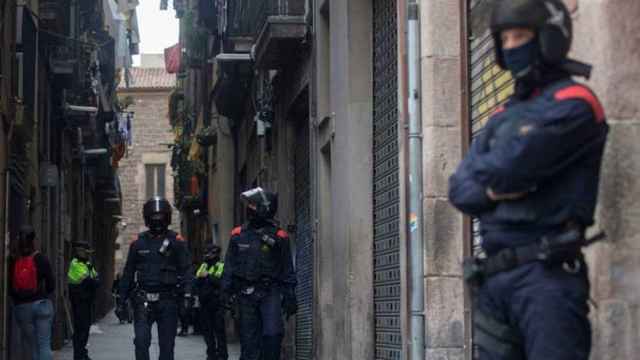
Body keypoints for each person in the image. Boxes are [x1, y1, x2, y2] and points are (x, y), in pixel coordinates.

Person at [449, 0, 609, 359]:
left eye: (519, 36)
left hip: (546, 278)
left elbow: (510, 167)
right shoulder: (504, 113)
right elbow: (460, 189)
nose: (511, 47)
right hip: (493, 281)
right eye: (504, 40)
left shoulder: (576, 103)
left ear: (549, 38)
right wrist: (496, 186)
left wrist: (490, 181)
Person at [222, 187, 297, 360]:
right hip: (245, 295)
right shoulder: (238, 234)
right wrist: (225, 293)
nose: (249, 208)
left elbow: (287, 268)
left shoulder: (279, 236)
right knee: (249, 345)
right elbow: (229, 266)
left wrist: (290, 294)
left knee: (272, 337)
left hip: (269, 292)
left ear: (265, 207)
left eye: (253, 206)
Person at [117, 197, 193, 360]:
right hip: (143, 300)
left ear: (167, 218)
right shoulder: (138, 243)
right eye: (153, 216)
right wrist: (121, 300)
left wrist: (187, 295)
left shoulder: (176, 242)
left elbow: (186, 269)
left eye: (161, 216)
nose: (157, 220)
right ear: (147, 218)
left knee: (167, 346)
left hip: (168, 300)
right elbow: (128, 273)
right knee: (141, 342)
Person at [9, 225, 55, 360]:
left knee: (31, 345)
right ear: (34, 240)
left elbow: (10, 286)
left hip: (23, 307)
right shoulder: (41, 258)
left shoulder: (13, 260)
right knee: (44, 345)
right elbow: (51, 285)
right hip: (41, 305)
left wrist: (17, 299)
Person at [68, 241, 100, 360]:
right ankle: (79, 356)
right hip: (79, 302)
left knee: (85, 330)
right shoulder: (75, 264)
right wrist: (93, 280)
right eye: (87, 253)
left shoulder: (87, 264)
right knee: (81, 331)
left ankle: (82, 354)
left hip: (86, 302)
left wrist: (93, 280)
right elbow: (91, 281)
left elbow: (97, 281)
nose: (89, 255)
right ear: (81, 252)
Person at [195, 244, 228, 360]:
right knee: (207, 331)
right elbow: (197, 280)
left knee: (219, 330)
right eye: (206, 253)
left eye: (209, 254)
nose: (207, 256)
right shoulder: (203, 265)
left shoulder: (221, 265)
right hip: (204, 304)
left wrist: (208, 276)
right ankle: (211, 354)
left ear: (216, 254)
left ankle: (222, 355)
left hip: (217, 303)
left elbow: (220, 282)